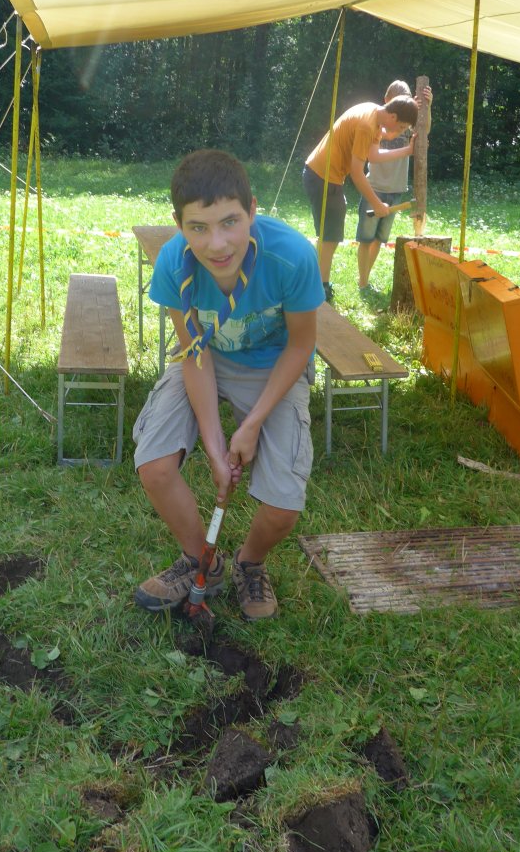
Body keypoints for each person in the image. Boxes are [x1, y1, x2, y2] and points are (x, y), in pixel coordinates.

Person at [133, 149, 325, 622]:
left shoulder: (292, 256)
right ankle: (201, 561)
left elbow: (301, 345)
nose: (217, 244)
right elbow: (194, 353)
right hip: (206, 359)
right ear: (179, 225)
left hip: (274, 366)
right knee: (154, 466)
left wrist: (252, 424)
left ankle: (249, 563)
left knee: (282, 507)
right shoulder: (173, 265)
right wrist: (215, 446)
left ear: (252, 210)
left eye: (230, 222)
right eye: (198, 227)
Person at [302, 94, 418, 302]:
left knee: (330, 234)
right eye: (401, 127)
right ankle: (320, 288)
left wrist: (407, 150)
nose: (401, 132)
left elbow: (373, 155)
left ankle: (318, 283)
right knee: (330, 236)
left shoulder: (373, 113)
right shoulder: (367, 126)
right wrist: (376, 203)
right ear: (392, 116)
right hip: (323, 176)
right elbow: (357, 173)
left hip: (323, 175)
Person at [356, 80, 433, 295]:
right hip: (374, 187)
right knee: (366, 238)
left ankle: (365, 277)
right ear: (387, 101)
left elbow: (424, 130)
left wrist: (427, 107)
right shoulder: (377, 123)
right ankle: (363, 282)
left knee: (380, 239)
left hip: (396, 189)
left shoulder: (407, 124)